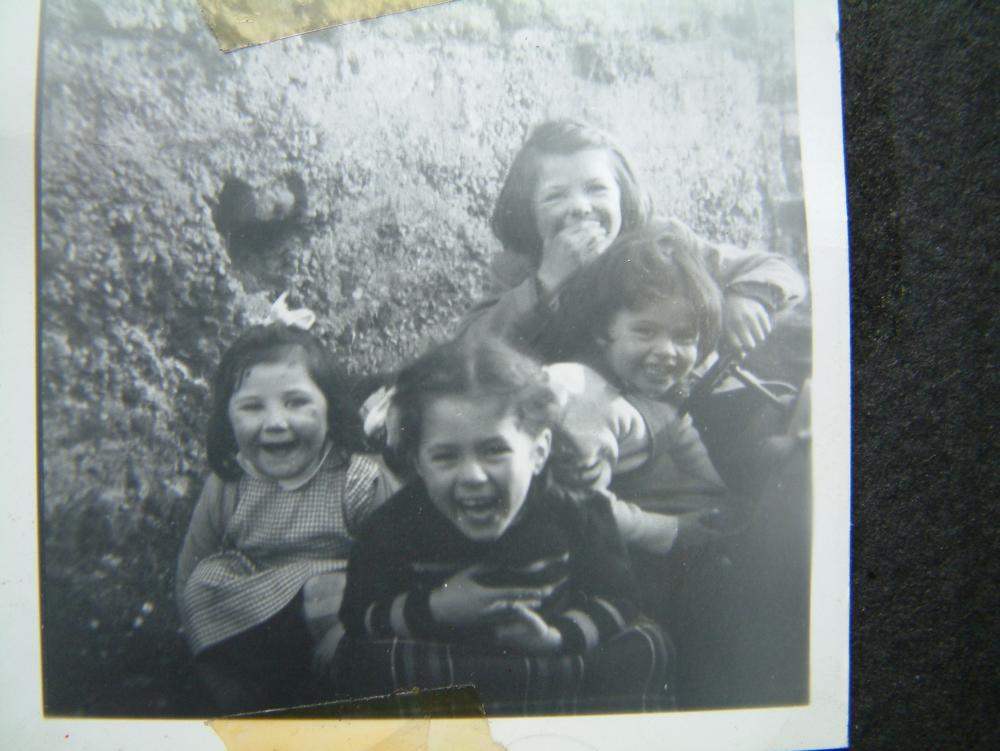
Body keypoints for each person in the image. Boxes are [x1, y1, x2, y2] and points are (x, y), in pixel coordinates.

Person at [332, 338, 672, 715]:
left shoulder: (577, 507)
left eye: (494, 450)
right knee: (361, 663)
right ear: (418, 461)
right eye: (445, 456)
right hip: (443, 668)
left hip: (550, 656)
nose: (474, 476)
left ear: (538, 451)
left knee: (650, 645)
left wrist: (556, 637)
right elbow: (360, 616)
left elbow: (618, 598)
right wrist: (435, 608)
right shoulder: (393, 525)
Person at [175, 298, 392, 714]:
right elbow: (191, 566)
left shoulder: (357, 478)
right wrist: (207, 657)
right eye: (253, 407)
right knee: (202, 586)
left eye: (296, 402)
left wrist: (349, 628)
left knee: (331, 592)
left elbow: (398, 565)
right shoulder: (231, 484)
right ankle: (244, 708)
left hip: (339, 624)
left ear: (330, 409)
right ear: (227, 418)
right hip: (253, 625)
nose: (275, 422)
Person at [460, 118, 805, 359]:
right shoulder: (519, 267)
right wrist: (545, 282)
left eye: (596, 189)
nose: (580, 208)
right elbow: (468, 350)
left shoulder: (659, 241)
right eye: (555, 197)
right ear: (528, 210)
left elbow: (774, 268)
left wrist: (746, 296)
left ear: (622, 198)